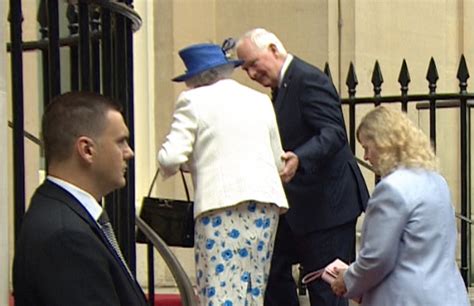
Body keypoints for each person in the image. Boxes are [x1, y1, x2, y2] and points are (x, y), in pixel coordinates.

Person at [236, 28, 369, 306]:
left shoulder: (308, 80)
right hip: (295, 207)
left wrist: (300, 158)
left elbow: (333, 132)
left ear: (273, 50)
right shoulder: (279, 88)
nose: (250, 74)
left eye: (253, 64)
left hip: (326, 207)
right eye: (244, 68)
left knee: (325, 288)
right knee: (270, 269)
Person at [158, 42, 289, 306]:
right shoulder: (259, 100)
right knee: (252, 289)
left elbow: (170, 158)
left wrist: (184, 163)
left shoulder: (192, 100)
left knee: (219, 289)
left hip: (220, 203)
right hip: (265, 204)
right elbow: (278, 160)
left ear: (194, 78)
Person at [12, 92, 148, 306]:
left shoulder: (66, 215)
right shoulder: (66, 236)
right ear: (86, 150)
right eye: (121, 142)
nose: (128, 152)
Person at [330, 106, 470, 305]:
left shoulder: (391, 189)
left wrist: (347, 278)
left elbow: (376, 259)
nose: (366, 156)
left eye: (367, 147)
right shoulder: (437, 181)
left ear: (383, 143)